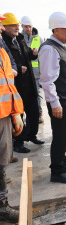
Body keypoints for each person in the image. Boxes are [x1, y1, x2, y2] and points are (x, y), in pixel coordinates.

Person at [39, 12, 66, 183]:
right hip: (60, 102)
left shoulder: (62, 45)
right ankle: (57, 171)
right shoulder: (49, 49)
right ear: (55, 30)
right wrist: (55, 104)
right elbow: (47, 80)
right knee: (60, 137)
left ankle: (62, 163)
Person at [1, 13, 44, 154]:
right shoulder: (4, 42)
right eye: (13, 25)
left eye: (17, 25)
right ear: (5, 27)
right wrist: (19, 68)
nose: (17, 28)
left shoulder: (19, 39)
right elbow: (8, 63)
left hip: (29, 82)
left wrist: (33, 54)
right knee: (18, 115)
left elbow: (27, 55)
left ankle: (32, 135)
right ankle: (18, 142)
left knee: (32, 112)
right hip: (16, 84)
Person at [0, 13, 24, 223]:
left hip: (3, 115)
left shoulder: (3, 52)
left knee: (2, 160)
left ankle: (2, 204)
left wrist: (15, 113)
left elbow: (7, 85)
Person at [20, 16, 44, 123]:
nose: (28, 29)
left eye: (29, 27)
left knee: (37, 93)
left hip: (36, 72)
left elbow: (43, 56)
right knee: (24, 93)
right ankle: (23, 114)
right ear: (22, 26)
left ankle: (38, 113)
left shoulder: (39, 39)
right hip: (24, 71)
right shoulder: (19, 38)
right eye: (26, 27)